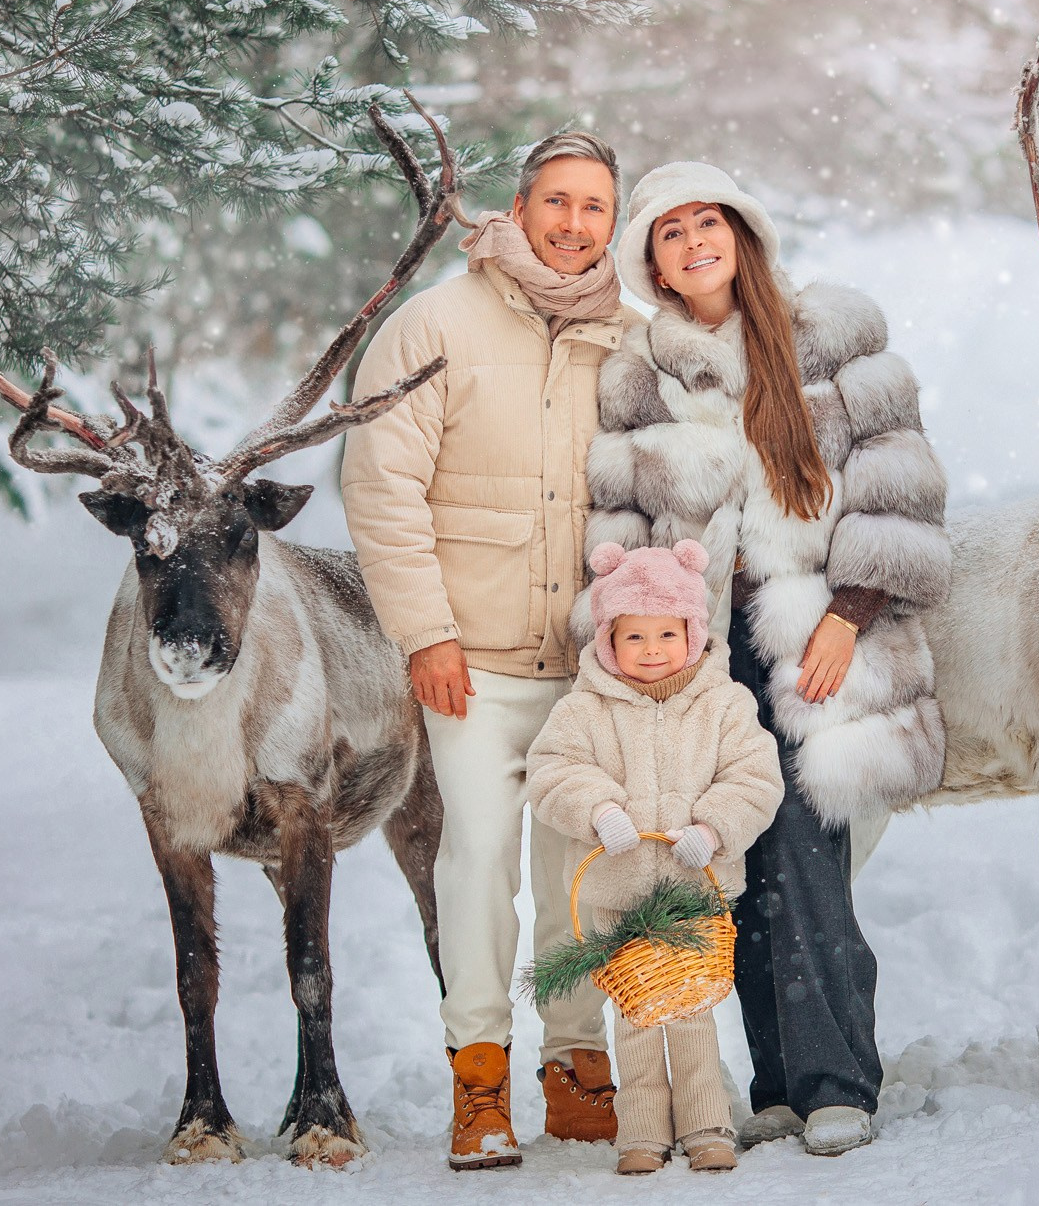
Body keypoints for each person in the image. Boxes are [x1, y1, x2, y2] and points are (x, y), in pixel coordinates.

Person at [582, 162, 950, 1157]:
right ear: (650, 262)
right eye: (669, 232)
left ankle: (838, 1082)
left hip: (813, 641)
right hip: (692, 658)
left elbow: (898, 488)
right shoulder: (636, 378)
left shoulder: (832, 336)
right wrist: (638, 645)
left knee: (799, 857)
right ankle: (779, 1085)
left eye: (710, 221)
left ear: (742, 231)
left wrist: (847, 611)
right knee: (724, 865)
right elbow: (615, 526)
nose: (694, 240)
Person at [339, 130, 641, 1170]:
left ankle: (574, 1069)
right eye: (554, 201)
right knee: (474, 866)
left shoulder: (631, 338)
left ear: (614, 219)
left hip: (595, 669)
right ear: (518, 208)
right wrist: (424, 632)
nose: (572, 223)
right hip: (473, 663)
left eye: (593, 206)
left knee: (577, 874)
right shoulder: (435, 325)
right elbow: (381, 487)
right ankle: (478, 1082)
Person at [526, 540, 783, 1175]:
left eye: (667, 632)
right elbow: (551, 772)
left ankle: (705, 1124)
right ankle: (640, 1132)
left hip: (694, 891)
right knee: (638, 1017)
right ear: (608, 638)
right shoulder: (583, 709)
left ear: (693, 632)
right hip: (617, 892)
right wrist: (598, 809)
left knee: (691, 1013)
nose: (651, 649)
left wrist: (715, 827)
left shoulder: (725, 705)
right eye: (633, 636)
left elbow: (756, 778)